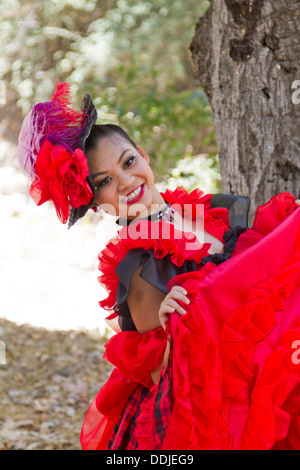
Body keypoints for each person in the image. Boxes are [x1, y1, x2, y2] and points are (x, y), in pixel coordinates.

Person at [18, 81, 300, 450]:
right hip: (220, 406)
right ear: (95, 201)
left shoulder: (201, 213)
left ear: (144, 156)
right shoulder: (140, 267)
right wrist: (172, 326)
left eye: (128, 162)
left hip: (267, 366)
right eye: (105, 182)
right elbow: (162, 377)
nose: (126, 182)